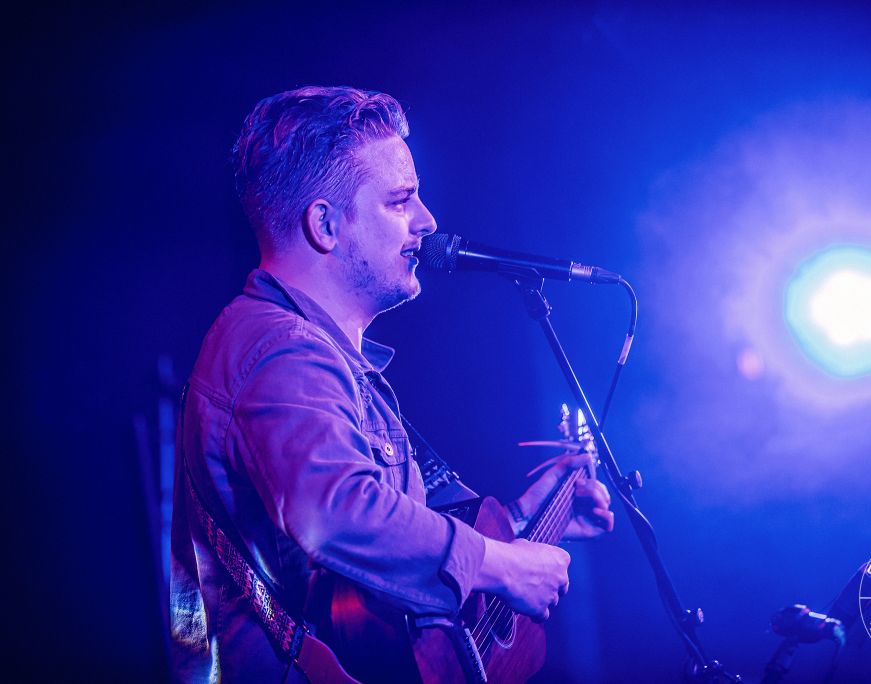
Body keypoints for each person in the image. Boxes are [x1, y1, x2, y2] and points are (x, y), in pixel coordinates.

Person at [170, 85, 613, 683]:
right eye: (401, 200)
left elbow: (373, 573)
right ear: (325, 224)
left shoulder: (314, 351)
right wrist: (500, 564)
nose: (428, 222)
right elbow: (333, 512)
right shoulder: (281, 348)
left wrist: (522, 524)